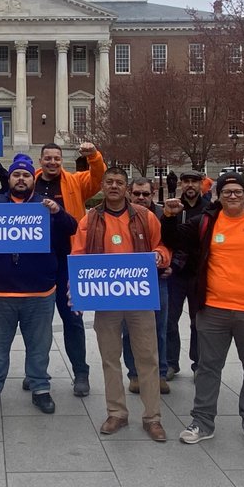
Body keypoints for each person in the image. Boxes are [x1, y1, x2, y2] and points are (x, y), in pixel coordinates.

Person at [164, 172, 244, 448]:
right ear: (217, 196)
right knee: (208, 368)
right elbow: (175, 240)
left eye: (238, 191)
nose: (232, 196)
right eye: (227, 192)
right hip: (213, 310)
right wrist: (169, 216)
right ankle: (202, 420)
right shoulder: (206, 223)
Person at [0, 153, 77, 415]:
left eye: (26, 175)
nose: (21, 179)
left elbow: (72, 228)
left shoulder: (44, 206)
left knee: (39, 345)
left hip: (38, 290)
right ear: (10, 178)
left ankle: (40, 388)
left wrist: (58, 213)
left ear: (32, 180)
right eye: (17, 175)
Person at [73, 167, 170, 442]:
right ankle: (117, 412)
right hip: (106, 299)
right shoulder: (89, 219)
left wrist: (158, 257)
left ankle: (153, 417)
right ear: (102, 186)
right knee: (110, 358)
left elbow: (163, 246)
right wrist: (77, 291)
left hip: (139, 296)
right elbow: (78, 255)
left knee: (147, 358)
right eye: (109, 182)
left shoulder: (144, 216)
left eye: (119, 182)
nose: (114, 186)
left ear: (126, 188)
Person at [35, 141, 105, 396]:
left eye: (56, 158)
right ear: (40, 160)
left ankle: (81, 373)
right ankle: (36, 370)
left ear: (61, 160)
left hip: (69, 260)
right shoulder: (31, 183)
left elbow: (99, 178)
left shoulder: (76, 181)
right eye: (48, 158)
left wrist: (94, 156)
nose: (52, 162)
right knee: (37, 323)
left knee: (73, 319)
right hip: (39, 261)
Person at [123, 177, 171, 396]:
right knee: (129, 330)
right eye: (136, 194)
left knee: (159, 329)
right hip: (127, 282)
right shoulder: (121, 214)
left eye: (145, 194)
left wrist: (169, 263)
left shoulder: (163, 215)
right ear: (129, 194)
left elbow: (172, 244)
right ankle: (134, 374)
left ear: (153, 194)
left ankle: (160, 374)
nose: (141, 198)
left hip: (157, 279)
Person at [165, 169, 209, 378]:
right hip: (176, 273)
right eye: (186, 182)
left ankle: (198, 362)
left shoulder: (209, 209)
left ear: (201, 184)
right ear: (181, 184)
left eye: (194, 181)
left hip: (200, 273)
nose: (190, 185)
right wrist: (170, 217)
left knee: (198, 322)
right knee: (170, 320)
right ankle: (171, 362)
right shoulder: (173, 207)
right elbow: (168, 238)